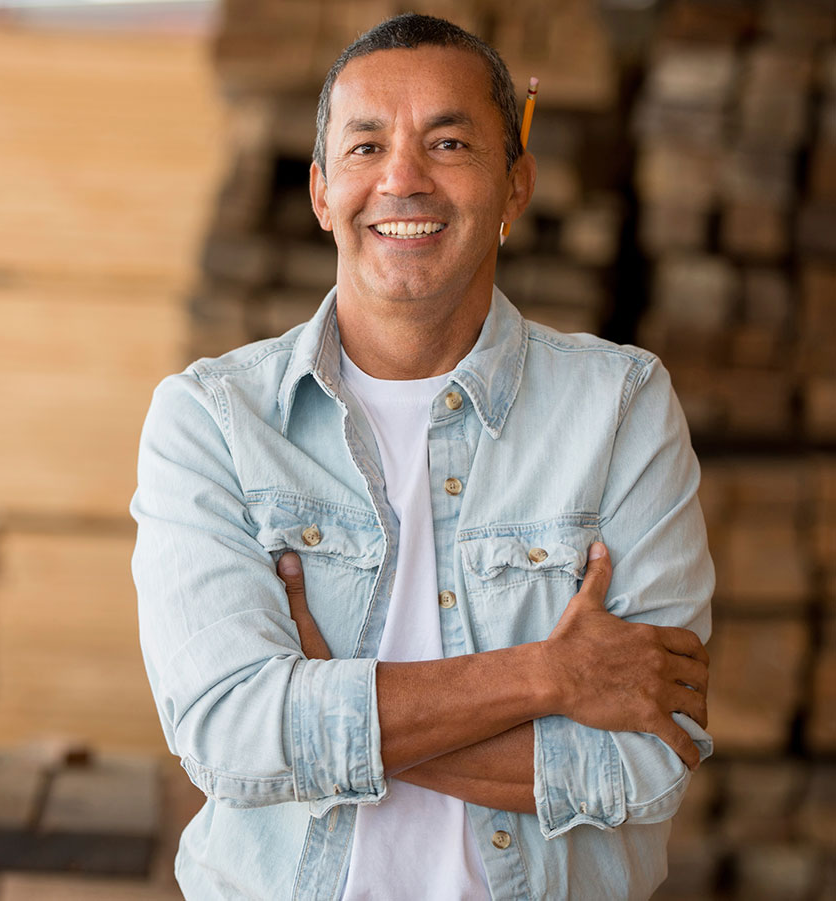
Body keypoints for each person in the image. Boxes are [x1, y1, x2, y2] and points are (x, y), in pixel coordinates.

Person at [130, 13, 713, 900]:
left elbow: (646, 761)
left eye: (447, 142)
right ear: (322, 192)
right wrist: (547, 676)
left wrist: (327, 706)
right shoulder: (211, 421)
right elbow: (230, 734)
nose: (401, 178)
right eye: (365, 147)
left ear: (515, 185)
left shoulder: (619, 408)